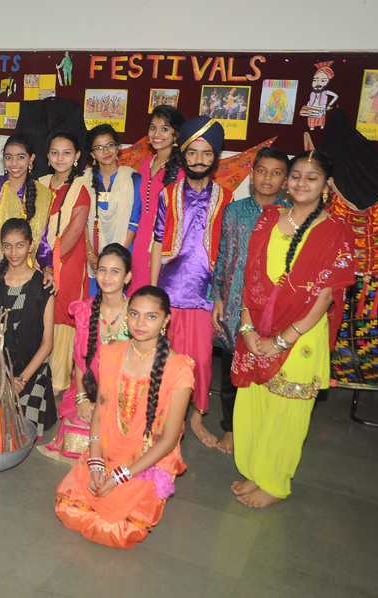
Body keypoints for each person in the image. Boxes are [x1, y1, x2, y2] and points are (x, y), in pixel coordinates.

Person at [231, 150, 354, 508]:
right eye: (296, 176)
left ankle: (274, 482)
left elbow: (326, 295)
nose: (301, 183)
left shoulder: (335, 230)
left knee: (287, 411)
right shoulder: (269, 217)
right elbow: (251, 276)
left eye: (311, 177)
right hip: (257, 325)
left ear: (327, 185)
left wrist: (283, 340)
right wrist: (247, 326)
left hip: (301, 333)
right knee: (254, 402)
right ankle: (256, 470)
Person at [55, 286, 193, 549]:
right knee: (70, 510)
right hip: (107, 447)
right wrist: (96, 462)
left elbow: (169, 440)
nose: (140, 323)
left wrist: (120, 476)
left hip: (145, 458)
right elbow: (100, 412)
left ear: (166, 320)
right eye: (134, 314)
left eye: (151, 317)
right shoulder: (111, 351)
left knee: (116, 531)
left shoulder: (179, 369)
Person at [150, 115, 233, 447]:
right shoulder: (168, 195)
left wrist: (221, 296)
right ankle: (163, 412)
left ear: (215, 158)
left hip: (205, 294)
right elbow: (158, 243)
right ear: (183, 155)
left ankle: (196, 416)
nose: (199, 160)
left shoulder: (226, 198)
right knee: (164, 356)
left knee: (200, 361)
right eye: (192, 153)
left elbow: (228, 252)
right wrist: (153, 293)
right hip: (169, 290)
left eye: (206, 153)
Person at [209, 148, 290, 455]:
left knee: (267, 365)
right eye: (262, 171)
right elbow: (223, 256)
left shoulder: (291, 215)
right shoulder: (234, 211)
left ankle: (260, 428)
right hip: (233, 303)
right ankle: (230, 427)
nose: (268, 178)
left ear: (285, 180)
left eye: (277, 172)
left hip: (271, 306)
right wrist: (218, 297)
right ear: (252, 175)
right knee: (232, 367)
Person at [42, 244, 132, 462]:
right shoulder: (86, 311)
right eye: (102, 270)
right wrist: (83, 401)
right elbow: (80, 361)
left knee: (123, 436)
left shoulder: (134, 314)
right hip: (89, 389)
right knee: (76, 431)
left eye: (115, 271)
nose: (107, 277)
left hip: (124, 394)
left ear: (127, 277)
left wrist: (109, 405)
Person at [0, 218, 56, 438]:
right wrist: (2, 375)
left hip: (31, 372)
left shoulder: (44, 287)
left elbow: (47, 344)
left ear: (31, 246)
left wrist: (20, 380)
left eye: (20, 245)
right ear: (1, 247)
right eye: (8, 246)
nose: (13, 252)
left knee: (20, 429)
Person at [39, 131, 91, 392]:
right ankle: (37, 370)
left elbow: (74, 231)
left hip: (66, 262)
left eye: (67, 153)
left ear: (77, 156)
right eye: (55, 153)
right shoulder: (40, 183)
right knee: (39, 313)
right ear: (48, 156)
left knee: (61, 314)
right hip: (37, 260)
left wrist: (49, 261)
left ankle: (58, 379)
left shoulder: (81, 188)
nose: (60, 158)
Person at [0, 133, 53, 296]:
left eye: (21, 157)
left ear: (31, 158)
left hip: (27, 272)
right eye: (8, 157)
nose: (14, 163)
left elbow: (42, 240)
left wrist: (47, 268)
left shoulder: (43, 194)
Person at [132, 106, 185, 295]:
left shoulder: (181, 171)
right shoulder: (146, 163)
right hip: (139, 241)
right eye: (153, 127)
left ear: (176, 134)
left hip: (162, 243)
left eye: (164, 129)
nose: (156, 134)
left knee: (155, 298)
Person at [83, 124, 141, 295]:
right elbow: (82, 220)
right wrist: (90, 253)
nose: (106, 151)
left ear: (117, 148)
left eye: (110, 145)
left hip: (125, 249)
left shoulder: (133, 179)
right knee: (94, 302)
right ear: (92, 154)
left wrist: (117, 256)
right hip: (92, 253)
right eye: (99, 148)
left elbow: (134, 221)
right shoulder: (84, 180)